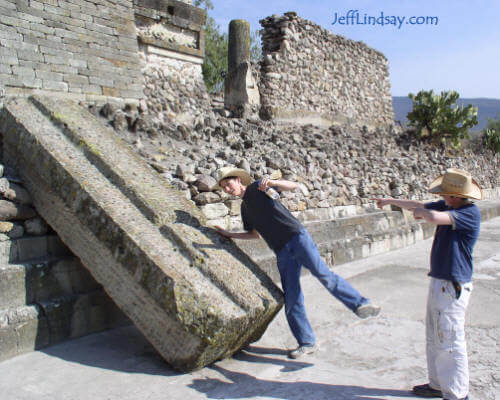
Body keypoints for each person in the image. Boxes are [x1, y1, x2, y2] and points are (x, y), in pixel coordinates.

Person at [213, 166, 381, 359]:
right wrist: (229, 234)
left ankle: (361, 304)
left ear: (239, 181)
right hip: (281, 250)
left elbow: (293, 186)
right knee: (292, 298)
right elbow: (254, 234)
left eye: (229, 184)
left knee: (323, 274)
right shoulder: (244, 209)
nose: (227, 189)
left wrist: (274, 182)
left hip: (297, 238)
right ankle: (307, 342)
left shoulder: (258, 186)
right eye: (224, 187)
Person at [373, 168, 481, 400]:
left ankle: (457, 393)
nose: (442, 197)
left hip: (453, 285)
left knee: (450, 340)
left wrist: (422, 212)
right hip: (439, 281)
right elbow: (417, 204)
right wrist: (391, 201)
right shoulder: (450, 206)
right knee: (434, 335)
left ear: (455, 195)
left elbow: (432, 216)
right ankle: (438, 384)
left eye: (445, 194)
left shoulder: (469, 213)